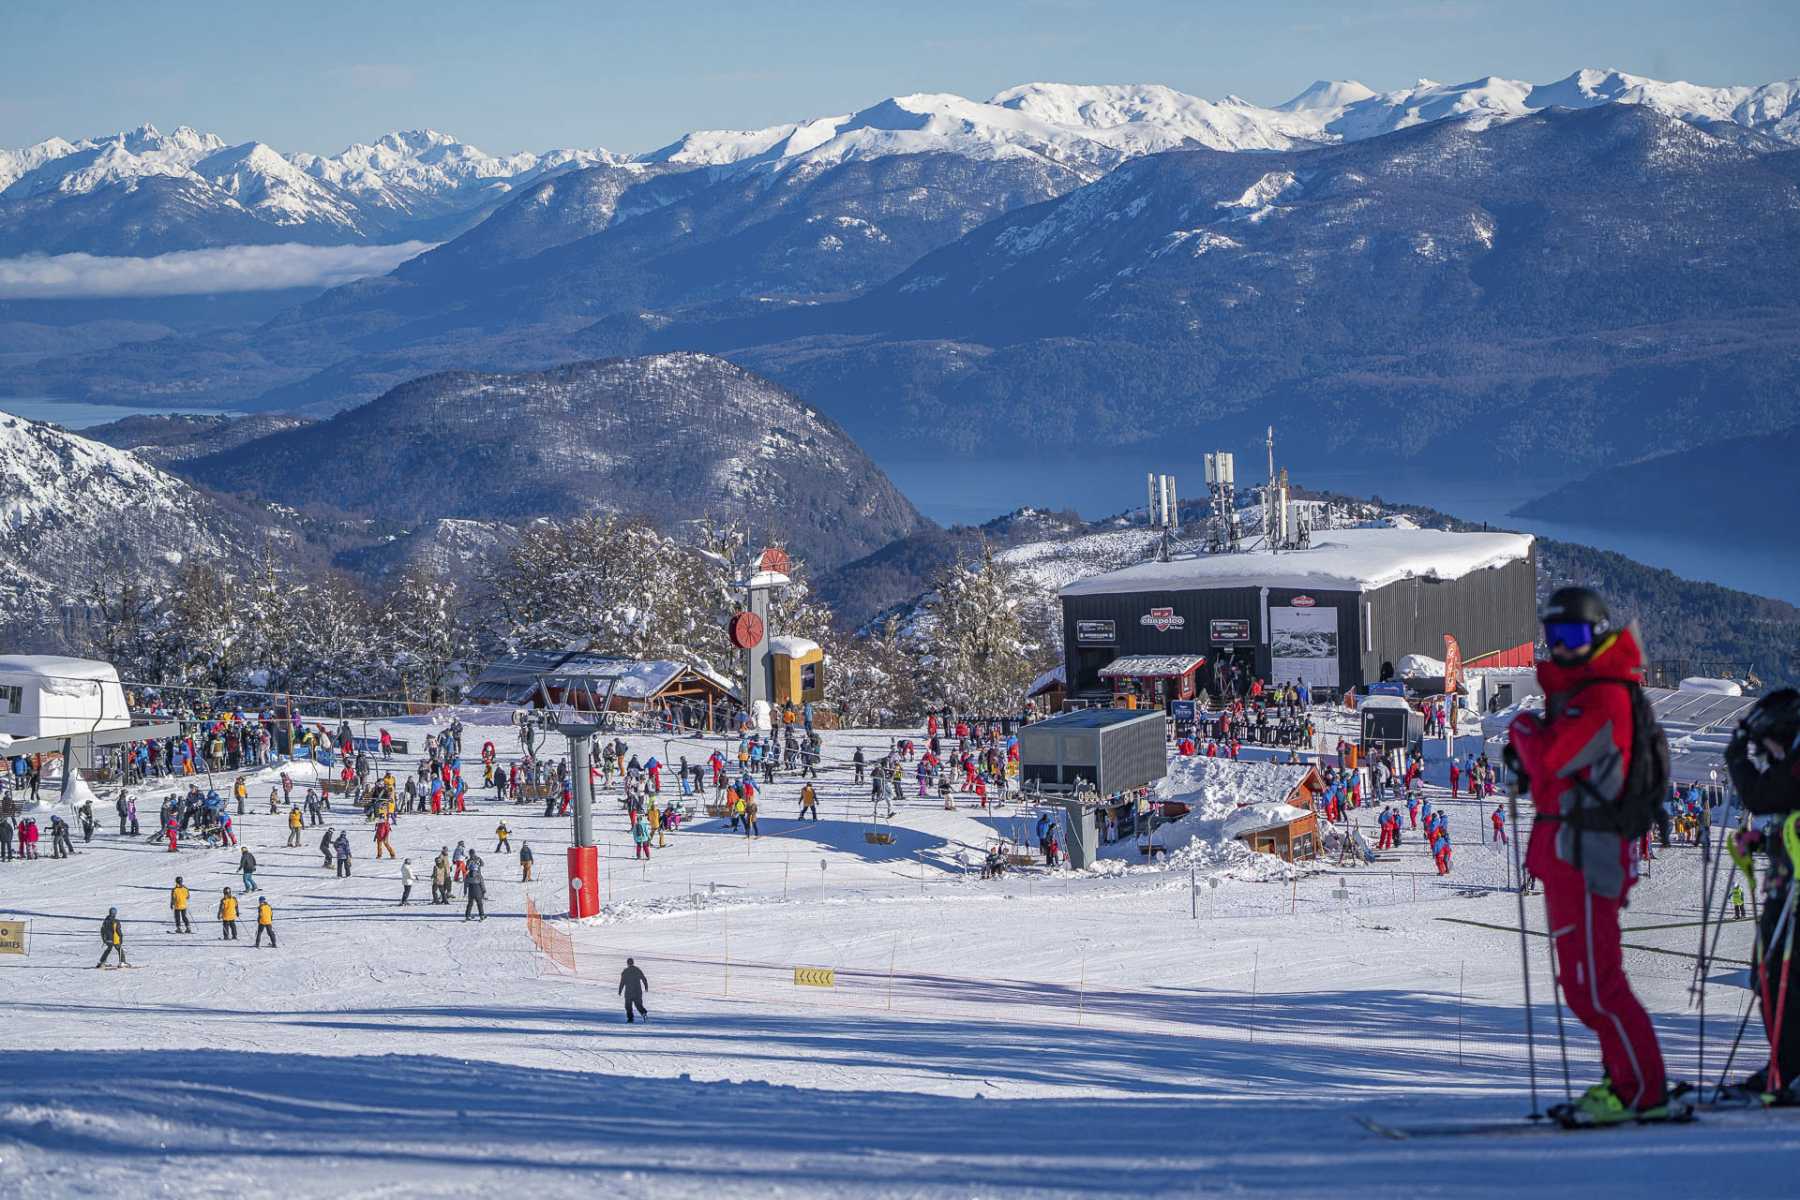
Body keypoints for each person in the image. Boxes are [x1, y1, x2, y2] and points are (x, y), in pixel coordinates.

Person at [1506, 587, 1674, 1124]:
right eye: (1554, 638)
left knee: (1598, 985)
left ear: (1598, 636)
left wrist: (1523, 730)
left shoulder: (1604, 696)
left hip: (1589, 853)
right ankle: (1620, 1081)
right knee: (1583, 985)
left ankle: (1643, 1091)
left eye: (1574, 638)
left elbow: (1553, 757)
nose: (1562, 650)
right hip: (1567, 851)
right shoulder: (1576, 695)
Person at [1723, 687, 1800, 1101]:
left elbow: (1763, 793)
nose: (1765, 754)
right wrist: (1763, 839)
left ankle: (1788, 1068)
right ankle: (1784, 1065)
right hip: (1787, 886)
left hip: (1795, 893)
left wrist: (1737, 759)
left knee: (1781, 977)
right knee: (1769, 975)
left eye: (1767, 743)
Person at [619, 957, 648, 1023]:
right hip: (637, 992)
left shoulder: (625, 971)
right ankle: (643, 1013)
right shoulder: (637, 970)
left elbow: (622, 982)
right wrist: (646, 987)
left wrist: (620, 990)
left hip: (629, 992)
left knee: (628, 1006)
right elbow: (644, 979)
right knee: (638, 1005)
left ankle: (630, 1019)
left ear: (627, 963)